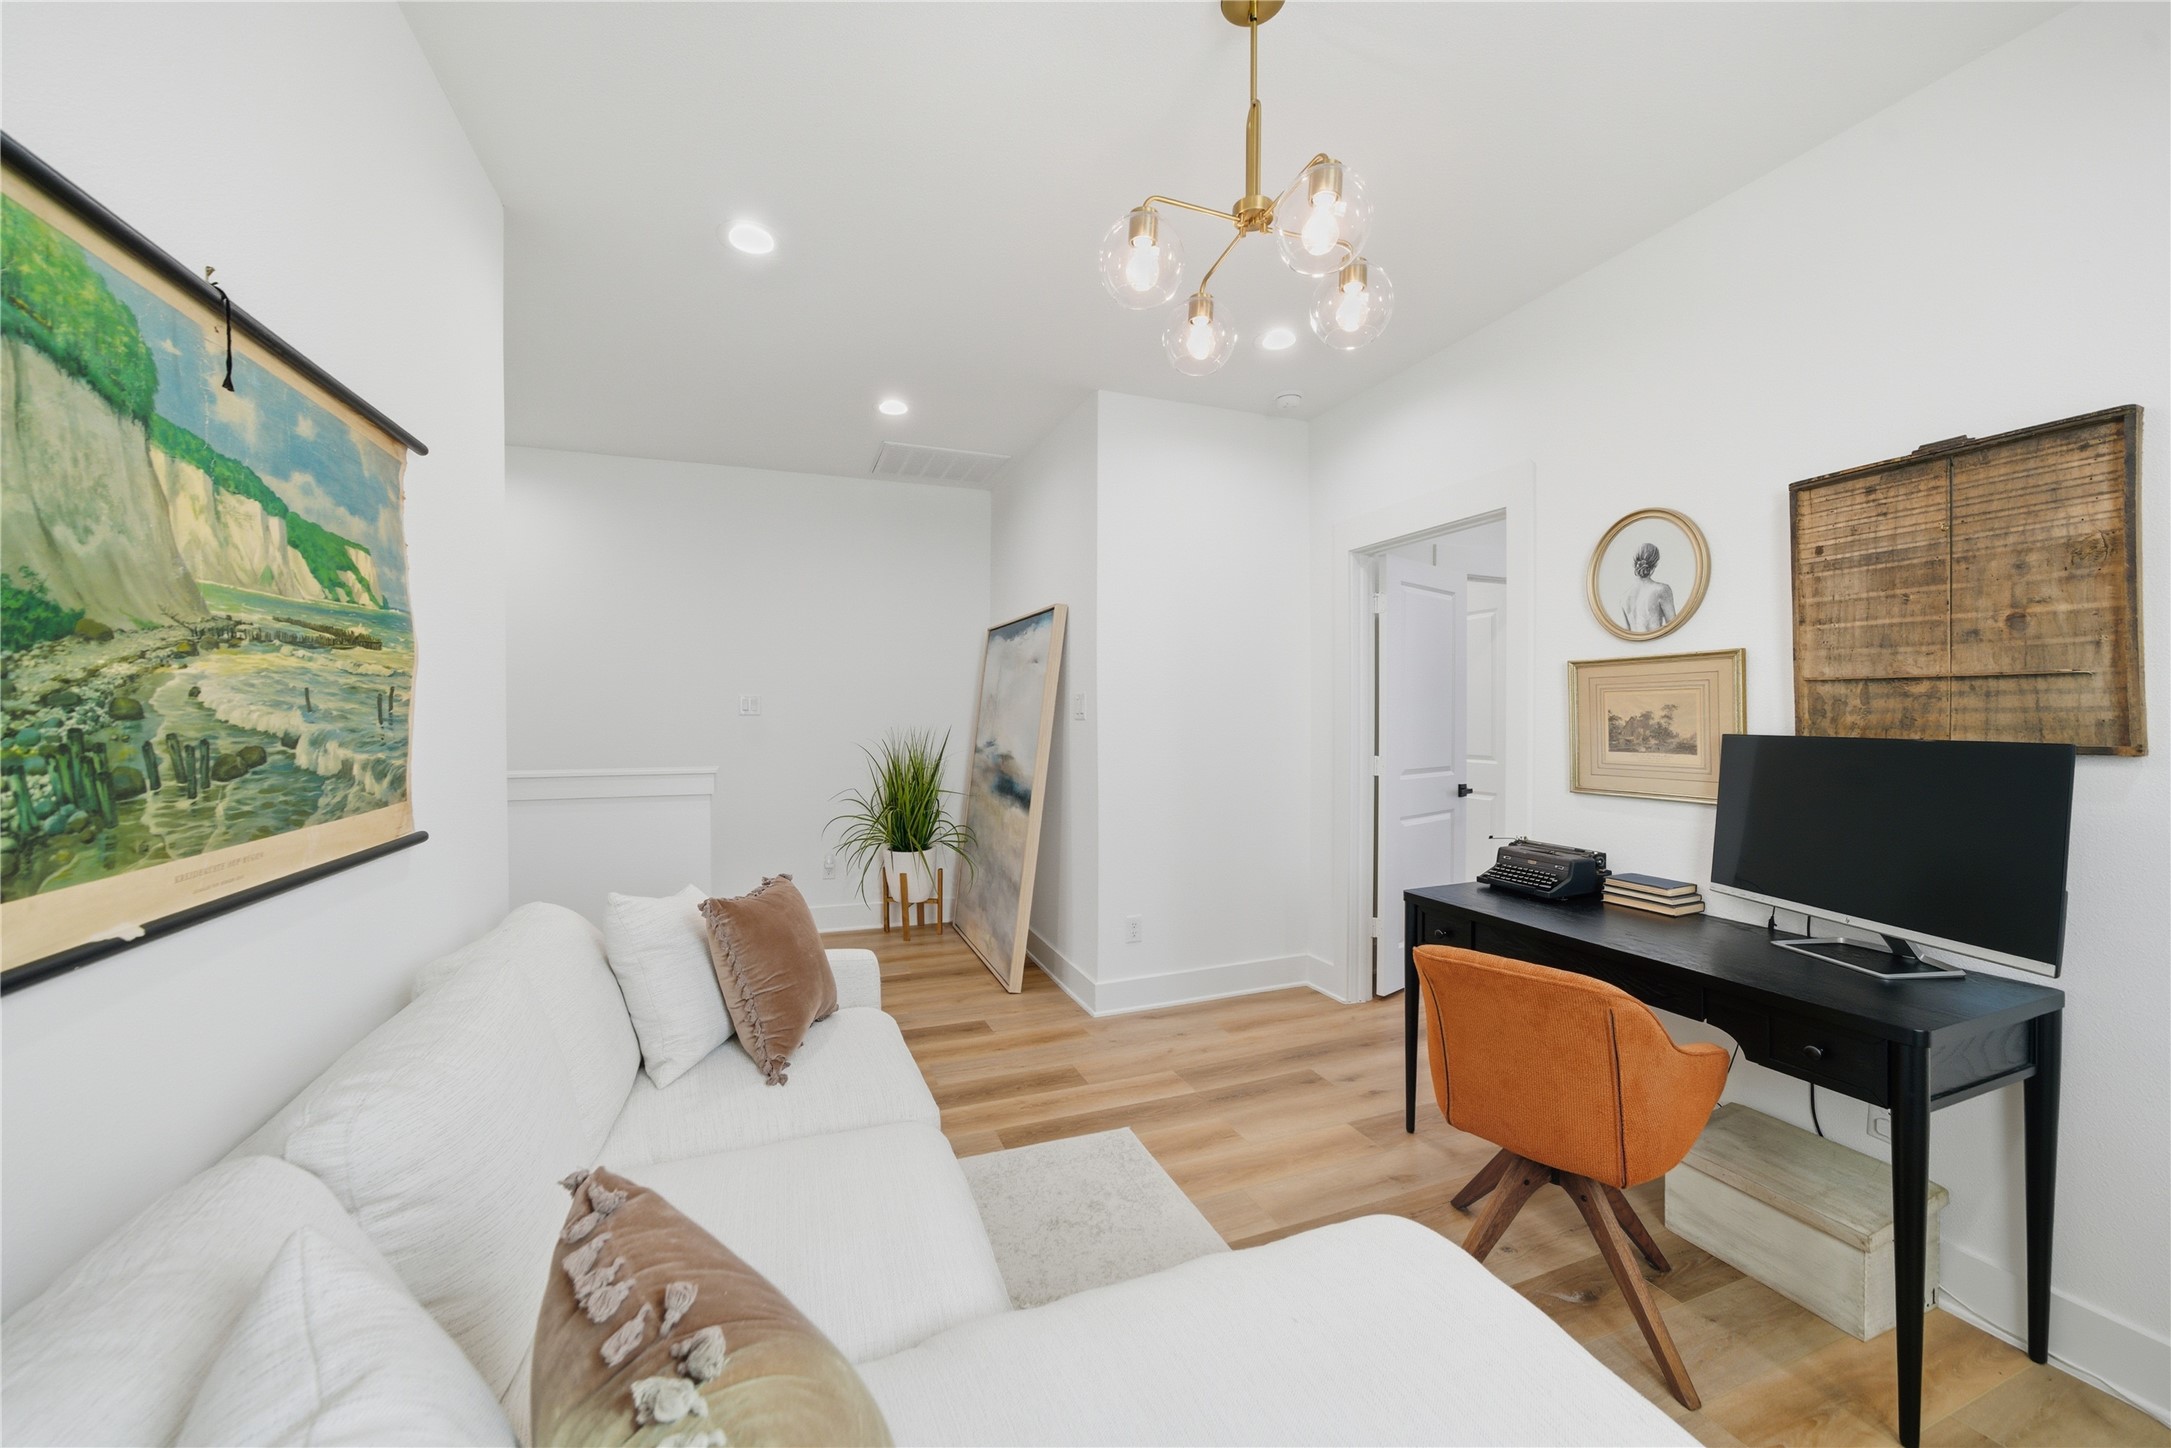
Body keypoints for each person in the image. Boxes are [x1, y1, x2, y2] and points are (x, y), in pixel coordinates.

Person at [1620, 542, 1675, 633]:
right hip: (1658, 644)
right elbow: (1674, 626)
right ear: (1655, 565)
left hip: (1636, 646)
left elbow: (1626, 633)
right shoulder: (1662, 590)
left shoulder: (1624, 597)